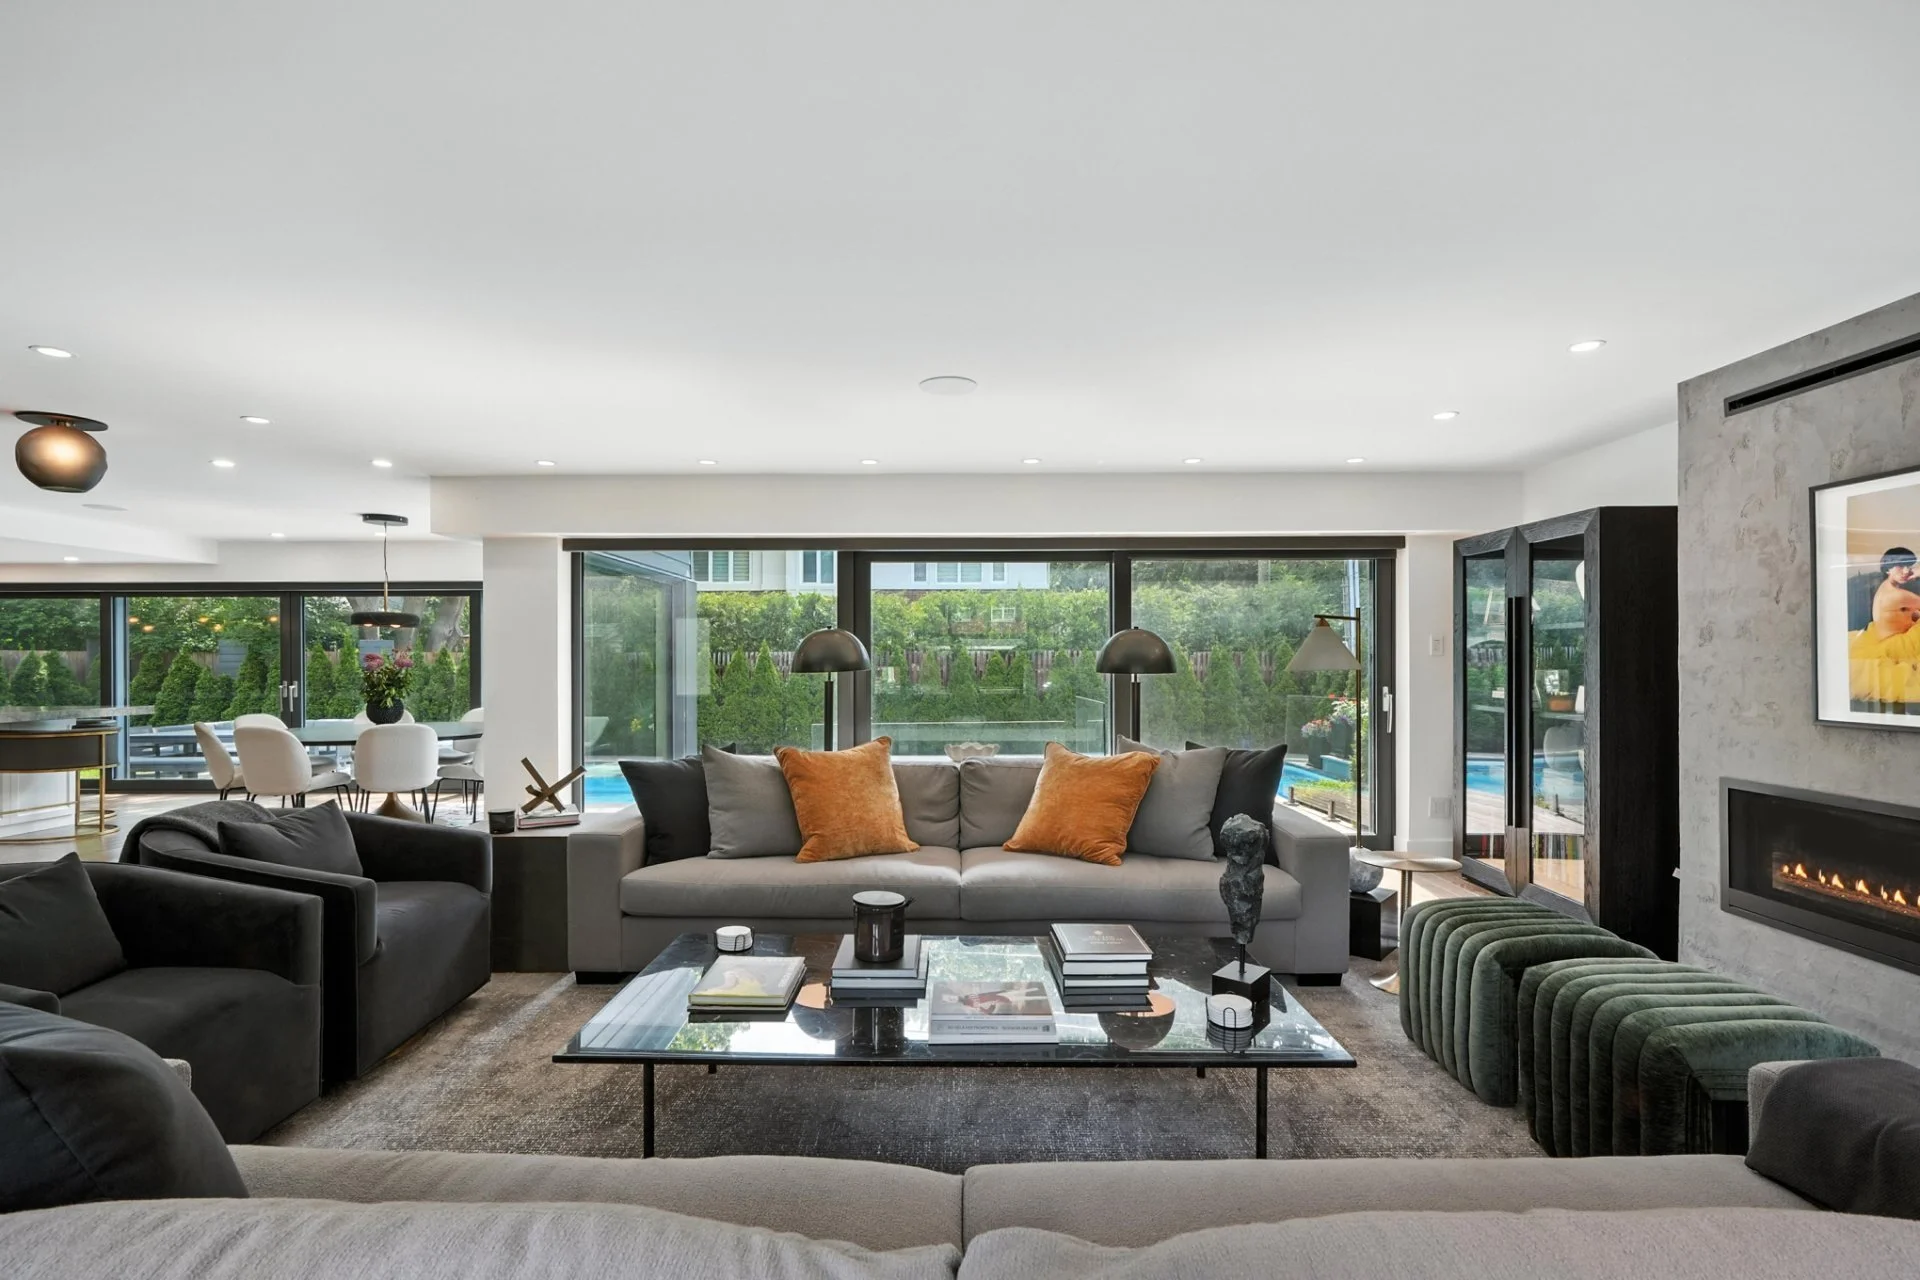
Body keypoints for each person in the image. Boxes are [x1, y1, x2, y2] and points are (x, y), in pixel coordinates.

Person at [1848, 547, 1920, 707]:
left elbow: (1908, 613)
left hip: (1886, 637)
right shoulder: (1897, 595)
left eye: (1909, 566)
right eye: (1901, 566)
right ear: (1888, 568)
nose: (1906, 571)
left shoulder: (1887, 587)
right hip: (1892, 645)